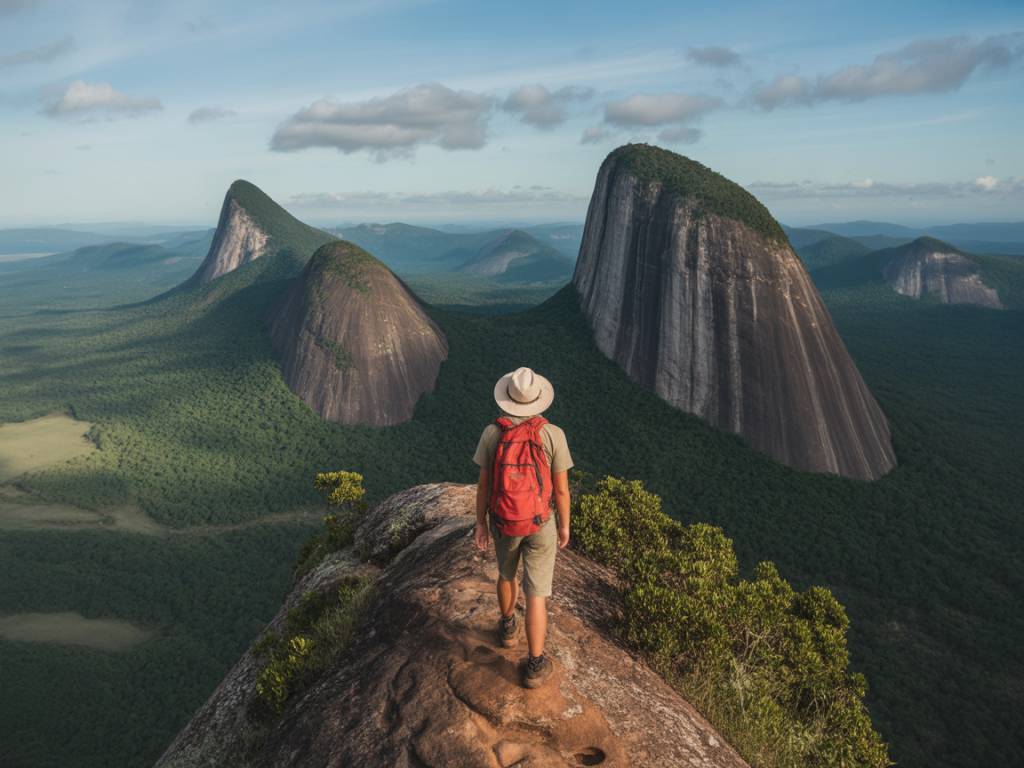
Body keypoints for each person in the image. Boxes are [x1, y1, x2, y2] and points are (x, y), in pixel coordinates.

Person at [473, 366, 573, 688]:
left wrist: (480, 523)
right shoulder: (553, 434)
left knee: (505, 574)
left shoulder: (493, 433)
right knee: (536, 596)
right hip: (540, 521)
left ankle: (507, 628)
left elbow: (484, 486)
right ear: (539, 400)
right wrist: (564, 526)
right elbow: (561, 490)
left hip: (503, 520)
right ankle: (534, 664)